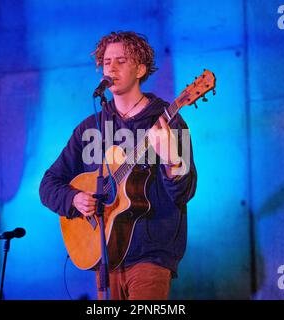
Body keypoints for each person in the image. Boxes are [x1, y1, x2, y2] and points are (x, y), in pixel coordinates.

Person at [39, 31, 197, 300]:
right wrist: (74, 198)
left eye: (121, 60)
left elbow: (184, 193)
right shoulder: (90, 128)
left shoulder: (168, 122)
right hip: (104, 257)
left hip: (151, 256)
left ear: (141, 69)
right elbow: (48, 184)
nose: (110, 67)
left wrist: (172, 159)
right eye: (106, 61)